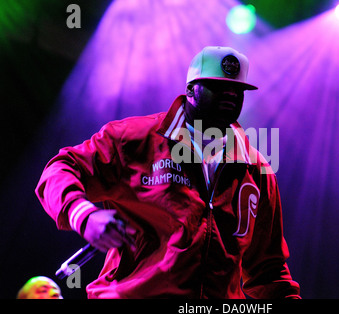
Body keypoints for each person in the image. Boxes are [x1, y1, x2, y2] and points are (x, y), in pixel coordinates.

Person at [35, 46, 300, 299]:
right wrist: (83, 215)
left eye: (237, 89)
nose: (230, 94)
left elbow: (268, 270)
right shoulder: (135, 139)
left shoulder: (257, 170)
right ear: (190, 90)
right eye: (218, 87)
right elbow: (60, 169)